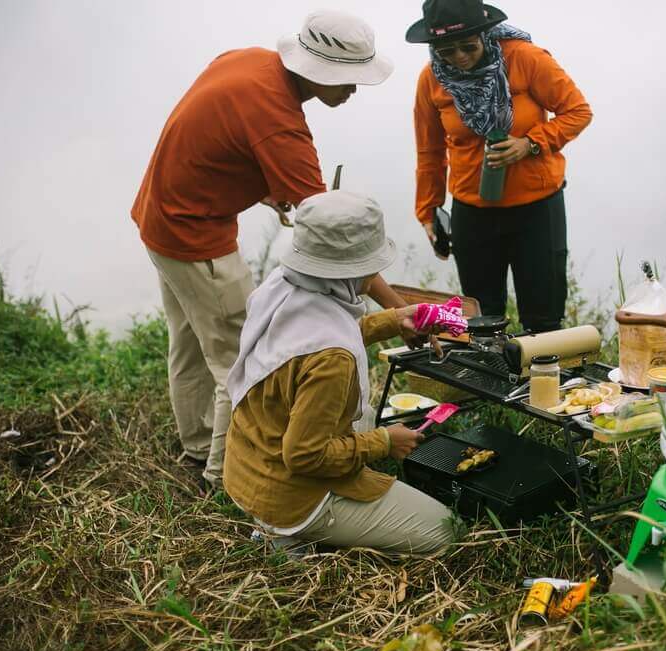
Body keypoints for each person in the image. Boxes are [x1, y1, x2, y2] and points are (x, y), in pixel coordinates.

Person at [131, 11, 410, 489]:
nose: (354, 91)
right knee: (242, 358)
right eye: (349, 80)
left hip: (159, 220)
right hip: (198, 240)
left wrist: (265, 188)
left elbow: (220, 141)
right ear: (321, 72)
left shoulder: (248, 62)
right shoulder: (280, 125)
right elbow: (338, 243)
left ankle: (198, 448)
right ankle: (222, 481)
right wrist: (403, 311)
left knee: (190, 347)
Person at [223, 191, 455, 556]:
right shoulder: (333, 358)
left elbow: (308, 344)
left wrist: (394, 319)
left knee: (357, 417)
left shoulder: (282, 286)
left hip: (248, 469)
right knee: (446, 531)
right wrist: (385, 442)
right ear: (354, 268)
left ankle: (282, 525)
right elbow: (303, 456)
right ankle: (292, 537)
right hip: (292, 495)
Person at [407, 0, 593, 333]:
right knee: (481, 319)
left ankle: (545, 383)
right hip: (473, 212)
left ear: (485, 34)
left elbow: (577, 112)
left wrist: (530, 144)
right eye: (447, 51)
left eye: (468, 46)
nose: (460, 57)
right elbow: (430, 151)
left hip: (537, 209)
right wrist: (428, 211)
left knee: (544, 319)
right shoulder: (431, 80)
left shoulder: (525, 58)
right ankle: (490, 382)